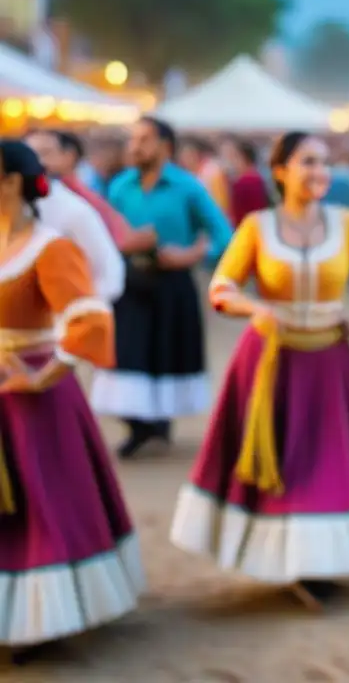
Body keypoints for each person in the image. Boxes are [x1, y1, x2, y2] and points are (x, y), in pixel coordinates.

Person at [169, 132, 349, 606]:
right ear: (280, 171)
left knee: (327, 461)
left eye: (323, 162)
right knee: (283, 462)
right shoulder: (258, 226)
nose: (319, 171)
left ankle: (317, 564)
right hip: (269, 362)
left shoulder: (346, 223)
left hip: (329, 361)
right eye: (307, 162)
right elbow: (222, 288)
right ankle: (299, 563)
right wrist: (256, 308)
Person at [0, 141, 143, 659]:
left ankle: (43, 616)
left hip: (34, 397)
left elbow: (89, 320)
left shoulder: (51, 246)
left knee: (42, 502)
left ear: (12, 182)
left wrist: (44, 375)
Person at [90, 117, 233, 458]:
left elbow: (224, 233)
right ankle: (137, 425)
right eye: (133, 139)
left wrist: (192, 254)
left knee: (165, 352)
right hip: (130, 283)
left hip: (173, 285)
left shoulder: (189, 187)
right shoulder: (120, 186)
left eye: (144, 140)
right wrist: (127, 242)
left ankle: (159, 423)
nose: (134, 146)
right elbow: (107, 231)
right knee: (126, 353)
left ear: (165, 147)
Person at [25, 129, 157, 255]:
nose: (37, 161)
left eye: (45, 153)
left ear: (69, 156)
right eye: (28, 154)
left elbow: (119, 241)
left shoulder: (80, 196)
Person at [222, 136, 271, 226]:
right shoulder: (259, 178)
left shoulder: (242, 183)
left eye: (235, 157)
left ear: (244, 158)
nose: (233, 162)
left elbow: (237, 216)